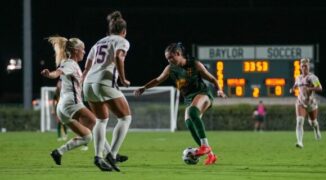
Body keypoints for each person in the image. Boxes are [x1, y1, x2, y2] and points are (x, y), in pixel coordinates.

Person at [134, 42, 226, 165]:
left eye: (171, 57)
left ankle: (204, 147)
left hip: (203, 94)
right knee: (189, 123)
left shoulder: (195, 64)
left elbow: (213, 79)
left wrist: (219, 90)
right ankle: (211, 155)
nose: (169, 60)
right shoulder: (170, 68)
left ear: (178, 54)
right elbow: (158, 80)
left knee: (193, 111)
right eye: (167, 59)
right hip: (189, 98)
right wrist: (144, 88)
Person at [40, 36, 112, 170]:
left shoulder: (73, 65)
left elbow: (74, 79)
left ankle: (58, 152)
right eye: (83, 49)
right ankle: (106, 156)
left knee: (87, 137)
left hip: (63, 108)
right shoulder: (69, 63)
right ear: (75, 50)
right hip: (70, 103)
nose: (84, 52)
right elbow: (58, 72)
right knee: (96, 123)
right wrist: (49, 74)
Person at [82, 11, 131, 172]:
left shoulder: (98, 43)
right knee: (125, 118)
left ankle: (98, 156)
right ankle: (113, 154)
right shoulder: (122, 41)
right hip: (103, 82)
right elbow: (118, 57)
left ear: (109, 30)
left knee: (101, 121)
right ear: (124, 31)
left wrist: (81, 84)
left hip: (88, 83)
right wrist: (123, 79)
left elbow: (87, 66)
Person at [290, 58, 322, 148]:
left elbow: (320, 88)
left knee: (313, 122)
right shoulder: (298, 77)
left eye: (306, 66)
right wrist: (292, 89)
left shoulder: (312, 77)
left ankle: (316, 129)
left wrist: (310, 88)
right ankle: (300, 142)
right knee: (299, 121)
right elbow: (295, 85)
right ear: (300, 67)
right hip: (300, 102)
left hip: (311, 103)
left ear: (309, 67)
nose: (304, 68)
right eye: (303, 66)